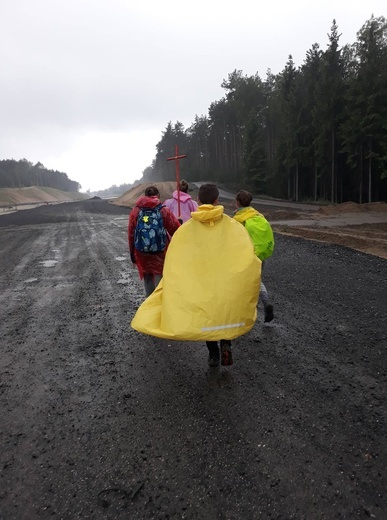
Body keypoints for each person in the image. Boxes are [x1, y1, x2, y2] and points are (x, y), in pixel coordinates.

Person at [131, 183, 261, 368]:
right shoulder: (234, 226)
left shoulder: (186, 229)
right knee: (222, 309)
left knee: (206, 313)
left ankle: (214, 354)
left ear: (198, 200)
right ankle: (226, 342)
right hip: (223, 278)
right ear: (217, 201)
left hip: (201, 280)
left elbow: (177, 257)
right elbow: (246, 252)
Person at [128, 186, 180, 297]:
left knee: (147, 275)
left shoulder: (136, 211)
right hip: (160, 249)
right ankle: (160, 301)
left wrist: (132, 253)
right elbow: (175, 229)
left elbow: (131, 233)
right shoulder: (162, 209)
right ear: (158, 196)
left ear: (145, 196)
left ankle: (149, 301)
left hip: (142, 250)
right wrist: (179, 222)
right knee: (159, 274)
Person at [233, 190, 275, 323]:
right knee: (257, 278)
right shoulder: (258, 215)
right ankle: (264, 302)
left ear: (238, 202)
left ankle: (248, 309)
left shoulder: (238, 219)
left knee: (246, 281)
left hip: (246, 254)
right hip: (260, 253)